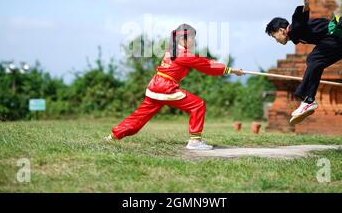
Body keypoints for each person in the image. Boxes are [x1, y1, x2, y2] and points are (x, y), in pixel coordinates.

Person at [104, 23, 244, 150]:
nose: (194, 41)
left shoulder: (172, 50)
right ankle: (195, 141)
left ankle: (113, 136)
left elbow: (203, 62)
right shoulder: (184, 55)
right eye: (192, 38)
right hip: (166, 88)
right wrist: (231, 70)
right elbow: (206, 65)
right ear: (183, 39)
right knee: (198, 105)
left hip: (155, 87)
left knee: (139, 116)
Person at [265, 0, 342, 125]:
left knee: (313, 59)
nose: (277, 41)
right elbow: (328, 24)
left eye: (275, 37)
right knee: (316, 62)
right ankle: (308, 100)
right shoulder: (297, 34)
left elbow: (301, 17)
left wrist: (305, 4)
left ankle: (308, 100)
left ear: (281, 30)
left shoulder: (294, 28)